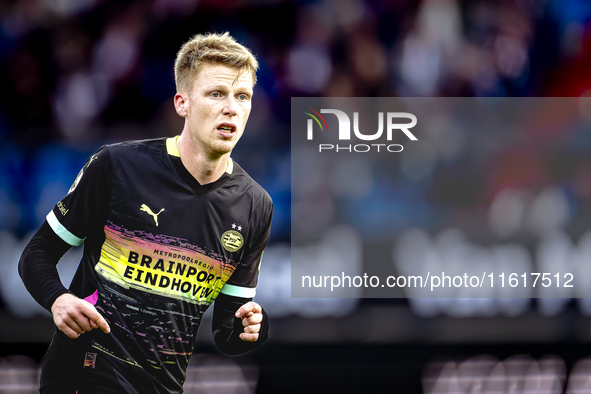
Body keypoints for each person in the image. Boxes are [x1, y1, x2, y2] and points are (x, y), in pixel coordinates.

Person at [19, 32, 273, 393]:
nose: (231, 107)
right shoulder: (117, 165)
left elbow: (227, 333)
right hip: (82, 376)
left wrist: (253, 329)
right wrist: (58, 300)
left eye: (242, 96)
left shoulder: (255, 205)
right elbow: (37, 254)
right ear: (182, 103)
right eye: (216, 93)